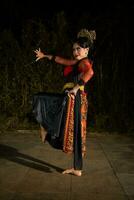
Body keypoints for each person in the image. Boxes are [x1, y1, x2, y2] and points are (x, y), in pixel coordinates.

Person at [32, 29, 96, 176]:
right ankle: (77, 168)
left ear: (86, 50)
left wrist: (76, 87)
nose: (75, 51)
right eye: (73, 49)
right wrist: (44, 56)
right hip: (72, 98)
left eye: (78, 49)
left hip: (75, 97)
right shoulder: (77, 62)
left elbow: (90, 73)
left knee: (41, 99)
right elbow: (60, 60)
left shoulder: (84, 62)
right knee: (69, 130)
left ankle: (45, 129)